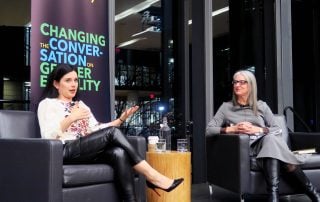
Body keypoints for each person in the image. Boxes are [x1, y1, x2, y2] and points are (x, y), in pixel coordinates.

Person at [37, 63, 183, 202]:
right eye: (68, 80)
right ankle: (153, 177)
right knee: (112, 133)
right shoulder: (47, 104)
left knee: (118, 153)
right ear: (56, 84)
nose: (73, 84)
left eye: (75, 80)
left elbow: (97, 129)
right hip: (64, 150)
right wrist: (71, 117)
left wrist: (121, 119)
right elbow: (48, 135)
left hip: (83, 149)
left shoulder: (81, 105)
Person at [206, 70, 320, 202]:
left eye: (242, 82)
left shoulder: (262, 106)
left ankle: (274, 196)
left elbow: (277, 129)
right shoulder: (226, 108)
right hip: (245, 148)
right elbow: (209, 130)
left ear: (251, 86)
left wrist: (258, 129)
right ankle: (313, 194)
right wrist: (233, 129)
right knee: (274, 144)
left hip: (264, 145)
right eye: (235, 82)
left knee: (271, 139)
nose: (237, 85)